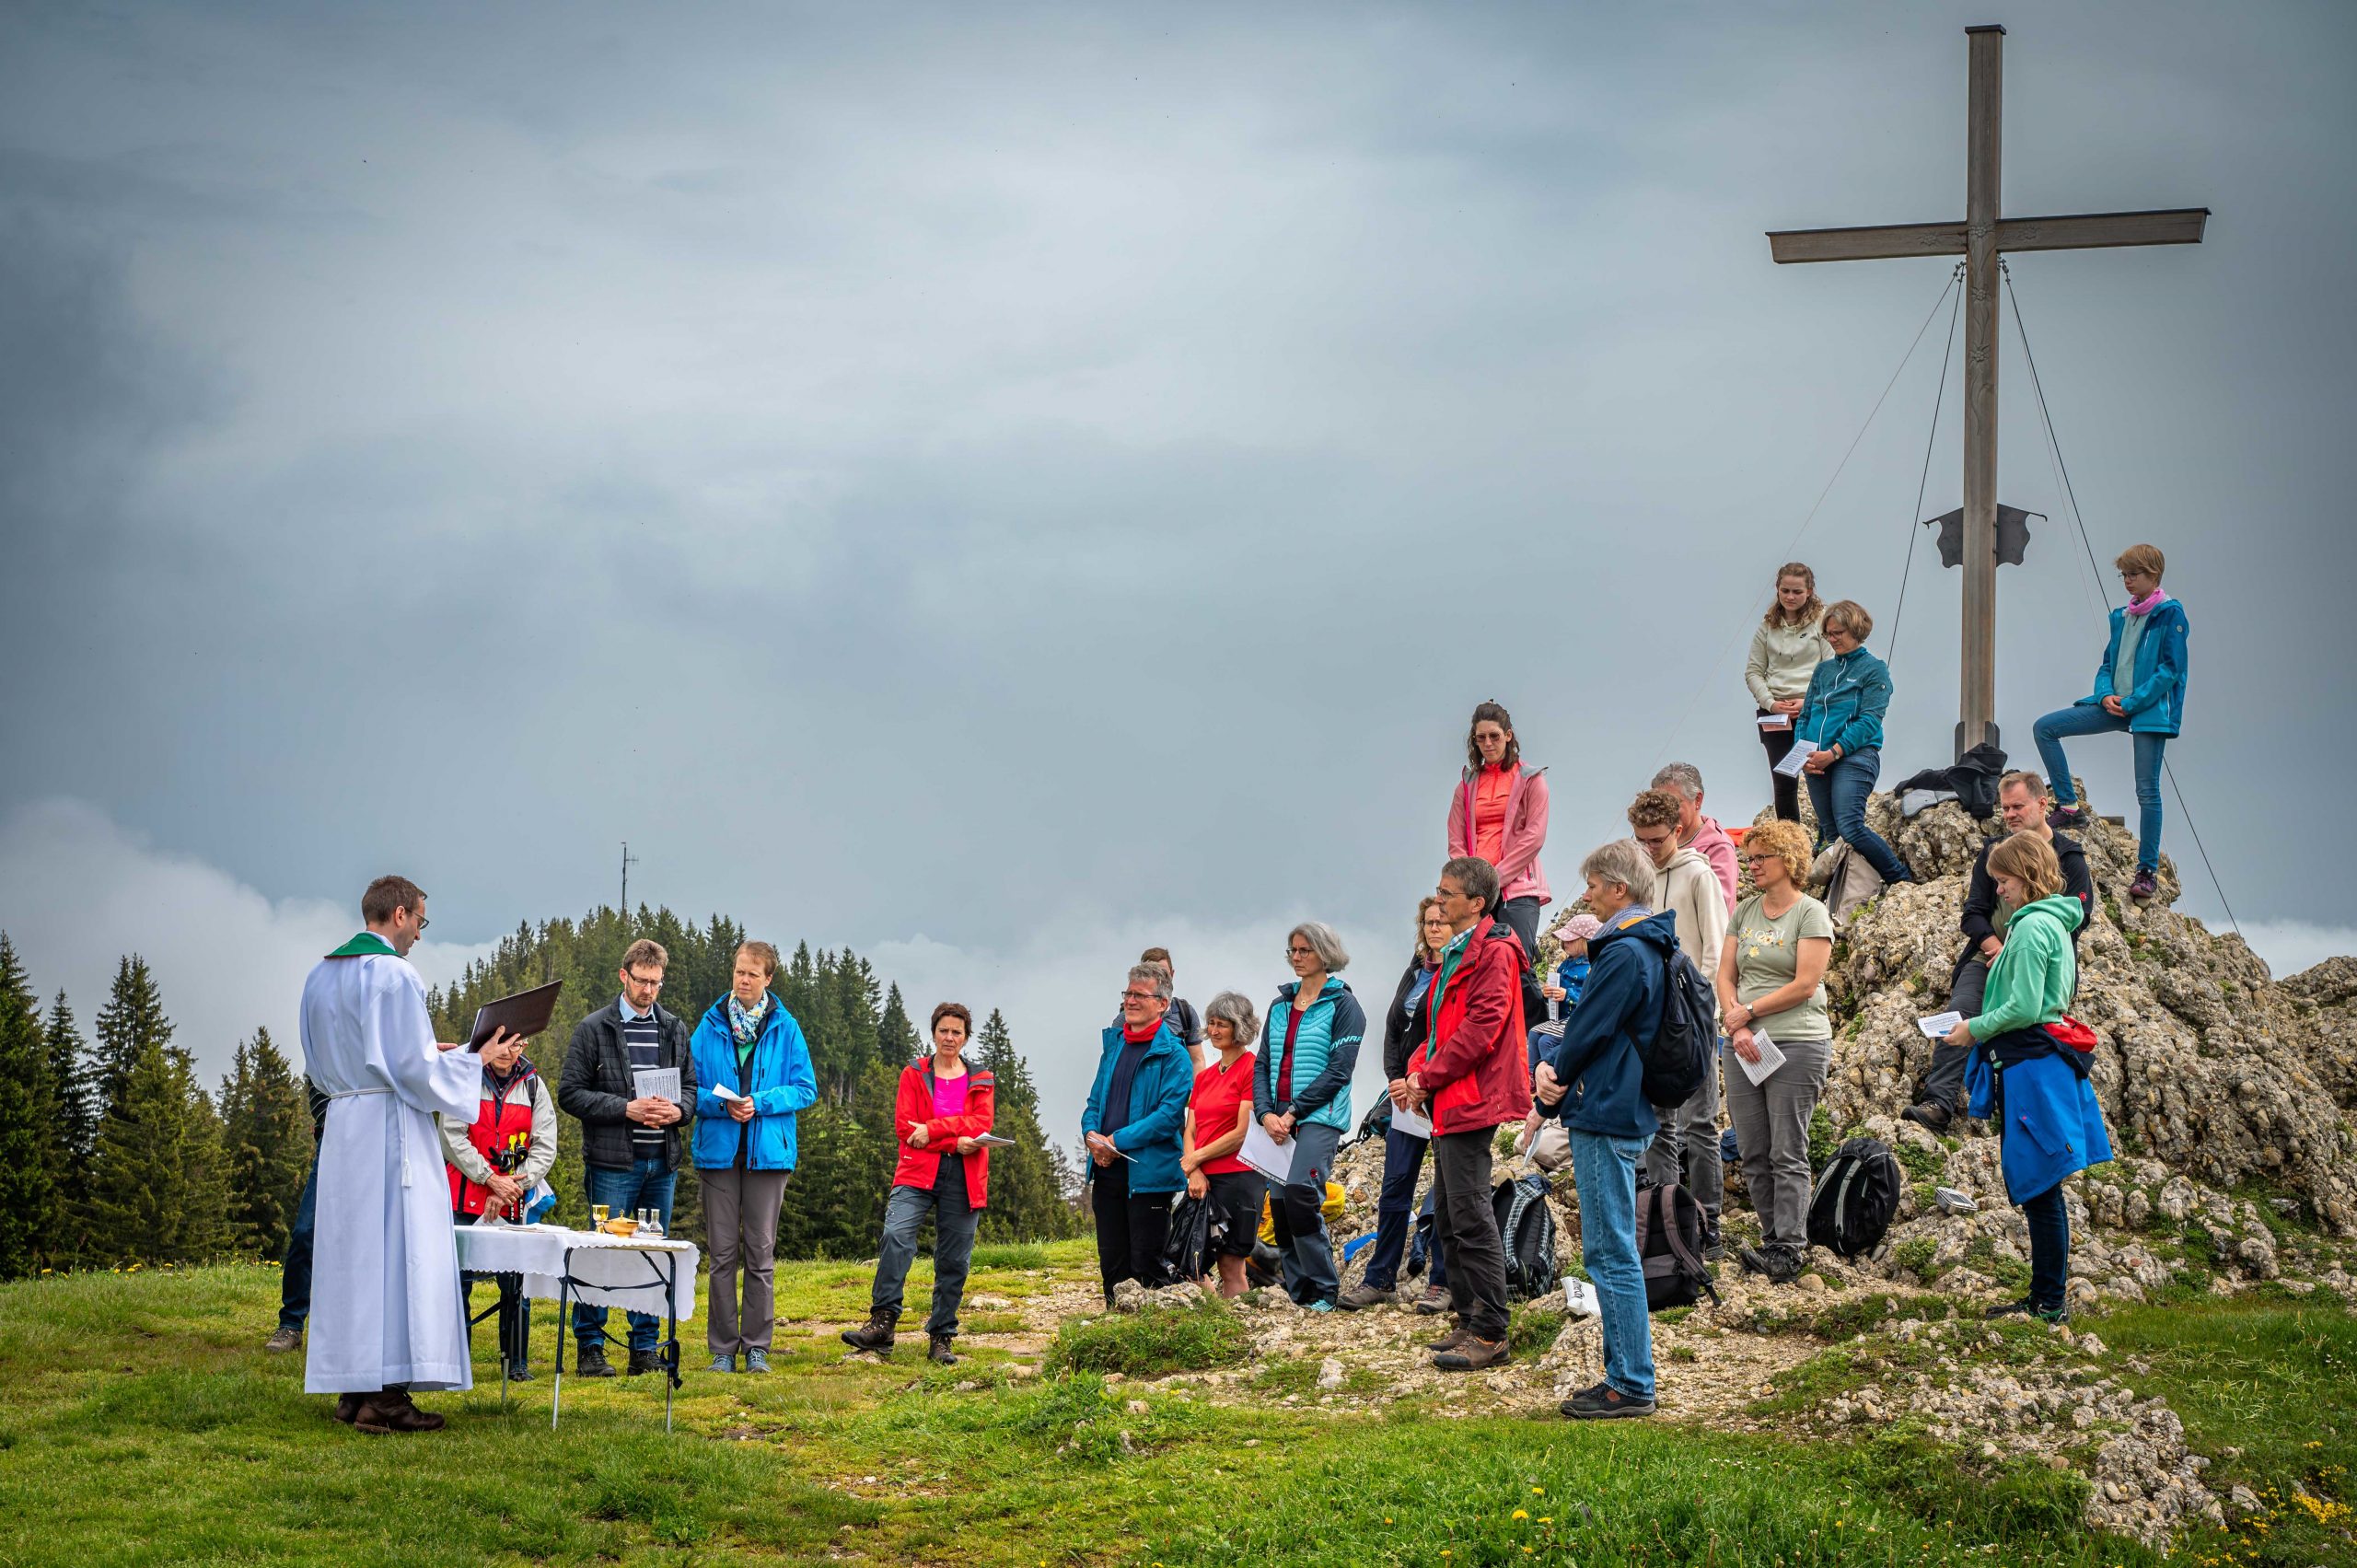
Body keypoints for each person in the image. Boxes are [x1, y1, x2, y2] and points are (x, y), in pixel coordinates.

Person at [297, 875, 508, 1434]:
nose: (419, 932)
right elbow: (413, 1073)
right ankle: (386, 1396)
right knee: (396, 1255)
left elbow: (336, 1059)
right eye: (419, 919)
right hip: (389, 1131)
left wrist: (426, 1056)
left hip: (346, 1122)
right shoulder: (394, 974)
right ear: (398, 915)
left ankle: (354, 1385)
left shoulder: (321, 975)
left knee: (353, 1258)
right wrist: (475, 1059)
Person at [1942, 833, 2112, 1323]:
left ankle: (2050, 1303)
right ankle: (2043, 1297)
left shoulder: (2035, 927)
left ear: (2028, 874)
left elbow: (2025, 1006)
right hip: (2033, 1063)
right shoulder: (2044, 922)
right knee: (2040, 1187)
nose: (1998, 891)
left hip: (2033, 1067)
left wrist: (1972, 1028)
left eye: (2004, 880)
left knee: (2040, 1187)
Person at [1535, 841, 1672, 1419]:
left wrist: (1554, 1078)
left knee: (1610, 1251)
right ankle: (1626, 1375)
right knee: (1613, 1248)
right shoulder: (1654, 945)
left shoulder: (1621, 951)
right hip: (1629, 1104)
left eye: (1592, 885)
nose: (1586, 895)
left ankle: (1631, 1383)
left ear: (1620, 888)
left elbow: (1587, 1027)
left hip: (1605, 1109)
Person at [1905, 772, 2096, 1132]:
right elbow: (1973, 913)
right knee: (1960, 1010)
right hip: (1988, 955)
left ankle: (2009, 1114)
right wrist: (1998, 948)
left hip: (2038, 958)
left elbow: (2079, 916)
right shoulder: (1994, 852)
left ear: (2042, 804)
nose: (2009, 814)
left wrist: (2023, 945)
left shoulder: (2069, 855)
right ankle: (1938, 1103)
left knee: (2023, 1028)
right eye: (2004, 807)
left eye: (2017, 806)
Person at [1405, 857, 1531, 1371]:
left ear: (1476, 903)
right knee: (1454, 1212)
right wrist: (1417, 1073)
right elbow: (1434, 1024)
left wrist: (1426, 1077)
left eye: (1447, 893)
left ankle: (1491, 1330)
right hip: (1449, 1096)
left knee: (1471, 1213)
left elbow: (1482, 1028)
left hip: (1469, 1096)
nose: (1439, 902)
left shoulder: (1494, 952)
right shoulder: (1456, 953)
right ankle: (1467, 1315)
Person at [558, 938, 697, 1377]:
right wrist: (626, 1108)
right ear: (624, 976)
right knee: (601, 1252)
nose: (649, 991)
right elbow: (570, 1093)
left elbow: (691, 1089)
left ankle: (644, 1348)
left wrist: (678, 1111)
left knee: (651, 1254)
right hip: (612, 1163)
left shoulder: (673, 1028)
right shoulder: (593, 1029)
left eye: (656, 983)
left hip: (662, 1161)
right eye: (641, 981)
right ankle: (591, 1348)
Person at [1715, 819, 1836, 1286]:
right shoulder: (1745, 911)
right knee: (1752, 1150)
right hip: (1742, 1041)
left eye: (1761, 857)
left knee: (1789, 1148)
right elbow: (1725, 974)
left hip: (1797, 1039)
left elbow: (1805, 984)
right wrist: (1735, 1018)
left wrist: (1747, 1012)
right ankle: (1771, 1239)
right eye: (1750, 857)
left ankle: (1790, 1245)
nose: (1753, 865)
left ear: (1788, 860)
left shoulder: (1811, 913)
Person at [689, 941, 819, 1375]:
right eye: (739, 971)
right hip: (719, 1155)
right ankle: (723, 1349)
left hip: (768, 1156)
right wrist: (720, 1104)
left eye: (752, 974)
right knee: (723, 1254)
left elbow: (805, 1089)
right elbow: (690, 1091)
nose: (743, 980)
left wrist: (759, 1102)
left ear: (768, 980)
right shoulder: (708, 1026)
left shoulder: (788, 1028)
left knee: (760, 1253)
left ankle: (757, 1347)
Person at [2033, 544, 2189, 903]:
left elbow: (2172, 669)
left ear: (2154, 575)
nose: (2128, 580)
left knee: (2147, 791)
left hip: (2148, 711)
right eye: (2124, 575)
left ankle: (2146, 873)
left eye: (2134, 574)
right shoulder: (2121, 616)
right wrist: (2104, 696)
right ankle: (2069, 808)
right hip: (2114, 704)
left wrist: (2134, 702)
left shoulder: (2171, 614)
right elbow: (2107, 664)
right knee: (2045, 727)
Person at [843, 1003, 995, 1365]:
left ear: (965, 1037)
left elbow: (981, 1123)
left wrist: (935, 1130)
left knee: (954, 1258)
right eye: (944, 1030)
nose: (949, 1037)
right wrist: (953, 1139)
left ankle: (942, 1336)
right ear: (933, 1032)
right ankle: (883, 1322)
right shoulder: (913, 1073)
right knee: (896, 1236)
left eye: (956, 1031)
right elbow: (906, 1128)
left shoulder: (982, 1078)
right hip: (916, 1171)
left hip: (965, 1175)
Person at [1628, 788, 1730, 1257]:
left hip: (1693, 1018)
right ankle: (1669, 1220)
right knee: (1659, 1126)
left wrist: (1702, 1010)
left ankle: (1708, 1223)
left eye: (1656, 840)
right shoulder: (1640, 876)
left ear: (1677, 830)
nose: (1649, 848)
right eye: (1640, 840)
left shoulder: (1698, 875)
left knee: (1701, 1123)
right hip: (1653, 1021)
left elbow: (1717, 945)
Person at [1341, 899, 1454, 1313]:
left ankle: (1442, 1280)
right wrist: (1394, 1077)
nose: (1434, 929)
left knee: (1446, 1190)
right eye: (1428, 922)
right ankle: (1380, 1277)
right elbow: (1393, 1026)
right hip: (1403, 1095)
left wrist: (1421, 1080)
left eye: (1442, 922)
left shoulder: (1457, 970)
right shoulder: (1417, 967)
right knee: (1395, 1188)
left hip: (1439, 1091)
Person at [438, 1020, 557, 1381]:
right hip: (463, 1193)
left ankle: (516, 1363)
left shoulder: (534, 1084)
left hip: (512, 1197)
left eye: (517, 1045)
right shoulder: (467, 1076)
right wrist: (489, 1179)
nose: (508, 1052)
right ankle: (456, 1360)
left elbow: (545, 1144)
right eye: (503, 1044)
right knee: (457, 1282)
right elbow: (451, 1136)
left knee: (515, 1282)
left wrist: (512, 1186)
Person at [1255, 922, 1363, 1311]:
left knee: (1302, 1194)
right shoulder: (1280, 1005)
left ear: (1325, 954)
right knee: (1281, 1208)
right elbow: (1263, 1061)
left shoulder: (1344, 1005)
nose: (1297, 958)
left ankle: (1324, 1288)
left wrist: (1294, 1112)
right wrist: (1266, 1113)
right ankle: (1298, 1289)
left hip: (1319, 1116)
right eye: (1292, 951)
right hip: (1277, 1121)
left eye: (1305, 950)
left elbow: (1339, 1069)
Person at [1081, 963, 1194, 1305]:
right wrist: (1091, 1135)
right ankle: (1113, 1333)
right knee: (1112, 1263)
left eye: (1139, 995)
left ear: (1162, 1004)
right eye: (1127, 993)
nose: (1130, 1000)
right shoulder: (1114, 1047)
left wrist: (1117, 1141)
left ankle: (1153, 1346)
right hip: (1107, 1168)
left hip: (1150, 1175)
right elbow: (1094, 1101)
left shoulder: (1175, 1056)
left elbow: (1168, 1115)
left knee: (1146, 1264)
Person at [1795, 599, 1913, 887]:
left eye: (1838, 633)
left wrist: (1834, 752)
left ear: (1856, 631)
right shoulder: (1823, 671)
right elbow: (1806, 714)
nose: (1832, 639)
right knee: (1831, 832)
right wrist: (1802, 755)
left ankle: (1900, 880)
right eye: (1829, 634)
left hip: (1854, 757)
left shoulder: (1874, 670)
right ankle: (1844, 892)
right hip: (1817, 760)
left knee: (1850, 827)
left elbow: (1870, 720)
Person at [1446, 701, 1550, 959]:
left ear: (1508, 735)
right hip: (1477, 893)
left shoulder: (1531, 780)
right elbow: (1456, 840)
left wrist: (1495, 877)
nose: (1488, 743)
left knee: (1519, 962)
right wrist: (1471, 881)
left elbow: (1534, 837)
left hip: (1518, 890)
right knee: (1474, 962)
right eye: (1481, 738)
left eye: (1494, 736)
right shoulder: (1465, 787)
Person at [1178, 992, 1263, 1299]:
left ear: (1240, 1027)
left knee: (1230, 1264)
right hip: (1203, 1179)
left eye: (1222, 1024)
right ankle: (1214, 1316)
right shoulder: (1204, 1078)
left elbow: (1243, 1132)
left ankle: (1234, 1327)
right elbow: (1190, 1130)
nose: (1213, 1030)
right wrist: (1195, 1170)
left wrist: (1195, 1159)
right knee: (1189, 1261)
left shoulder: (1253, 1069)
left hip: (1239, 1176)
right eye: (1211, 1023)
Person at [1515, 912, 1601, 1169]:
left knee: (1545, 1042)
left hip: (1574, 1022)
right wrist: (1549, 993)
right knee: (1537, 1035)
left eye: (1569, 941)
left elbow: (1587, 995)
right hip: (1561, 1020)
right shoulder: (1565, 965)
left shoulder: (1591, 967)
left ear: (1584, 940)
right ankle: (1536, 1076)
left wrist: (1566, 994)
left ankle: (1549, 1080)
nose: (1563, 945)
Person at [1747, 563, 1831, 822]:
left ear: (1809, 591)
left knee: (1820, 774)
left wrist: (1809, 701)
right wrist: (1771, 704)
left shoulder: (1823, 622)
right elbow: (1753, 672)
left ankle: (1828, 839)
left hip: (1814, 710)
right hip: (1776, 714)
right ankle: (1789, 845)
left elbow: (1832, 667)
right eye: (1785, 591)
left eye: (1797, 591)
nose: (1790, 597)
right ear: (1777, 590)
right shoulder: (1767, 627)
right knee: (1784, 783)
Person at [261, 1078, 329, 1354]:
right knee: (306, 1230)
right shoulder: (324, 1046)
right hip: (332, 1140)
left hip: (373, 1137)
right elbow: (315, 1086)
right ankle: (290, 1324)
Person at [1650, 763, 1739, 913]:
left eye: (1674, 803)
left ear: (1697, 800)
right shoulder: (1654, 842)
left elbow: (1719, 910)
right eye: (1659, 804)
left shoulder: (1718, 848)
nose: (1665, 811)